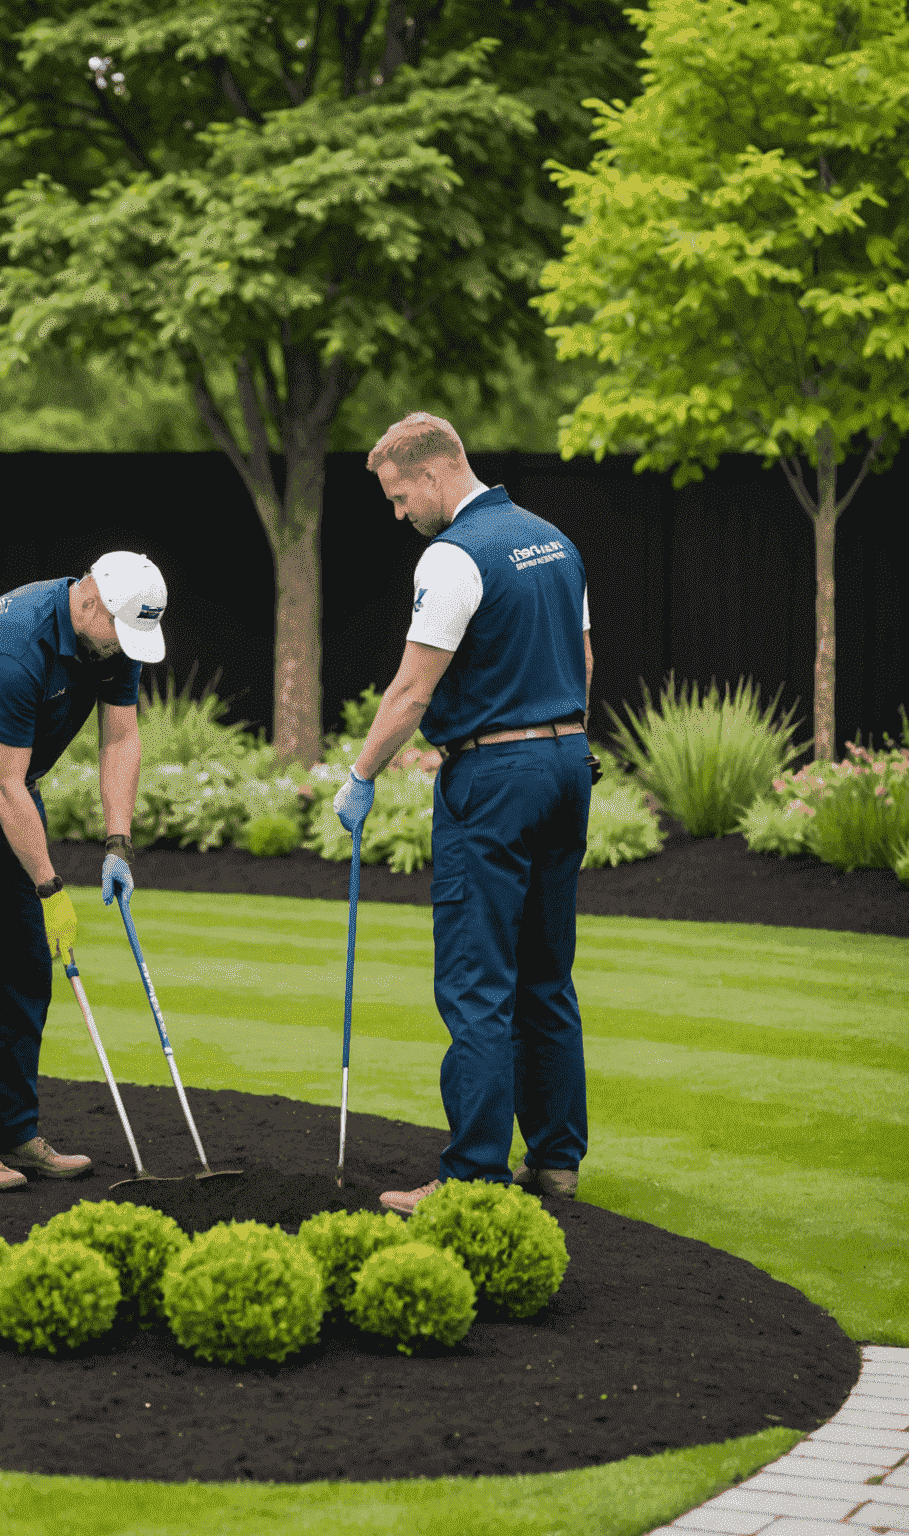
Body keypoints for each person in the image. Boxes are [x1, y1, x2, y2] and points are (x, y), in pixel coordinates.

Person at [334, 413, 595, 1215]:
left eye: (399, 493)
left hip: (495, 778)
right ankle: (555, 1162)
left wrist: (360, 774)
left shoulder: (451, 556)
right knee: (547, 974)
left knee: (478, 983)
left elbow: (412, 690)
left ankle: (473, 1175)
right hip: (567, 762)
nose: (398, 511)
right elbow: (584, 663)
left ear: (438, 473)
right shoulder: (554, 540)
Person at [0, 552, 167, 1193]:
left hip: (16, 789)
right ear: (89, 602)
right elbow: (1, 783)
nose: (124, 650)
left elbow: (120, 739)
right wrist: (50, 887)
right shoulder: (11, 646)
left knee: (26, 973)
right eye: (120, 634)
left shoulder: (114, 638)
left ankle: (16, 1133)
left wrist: (117, 844)